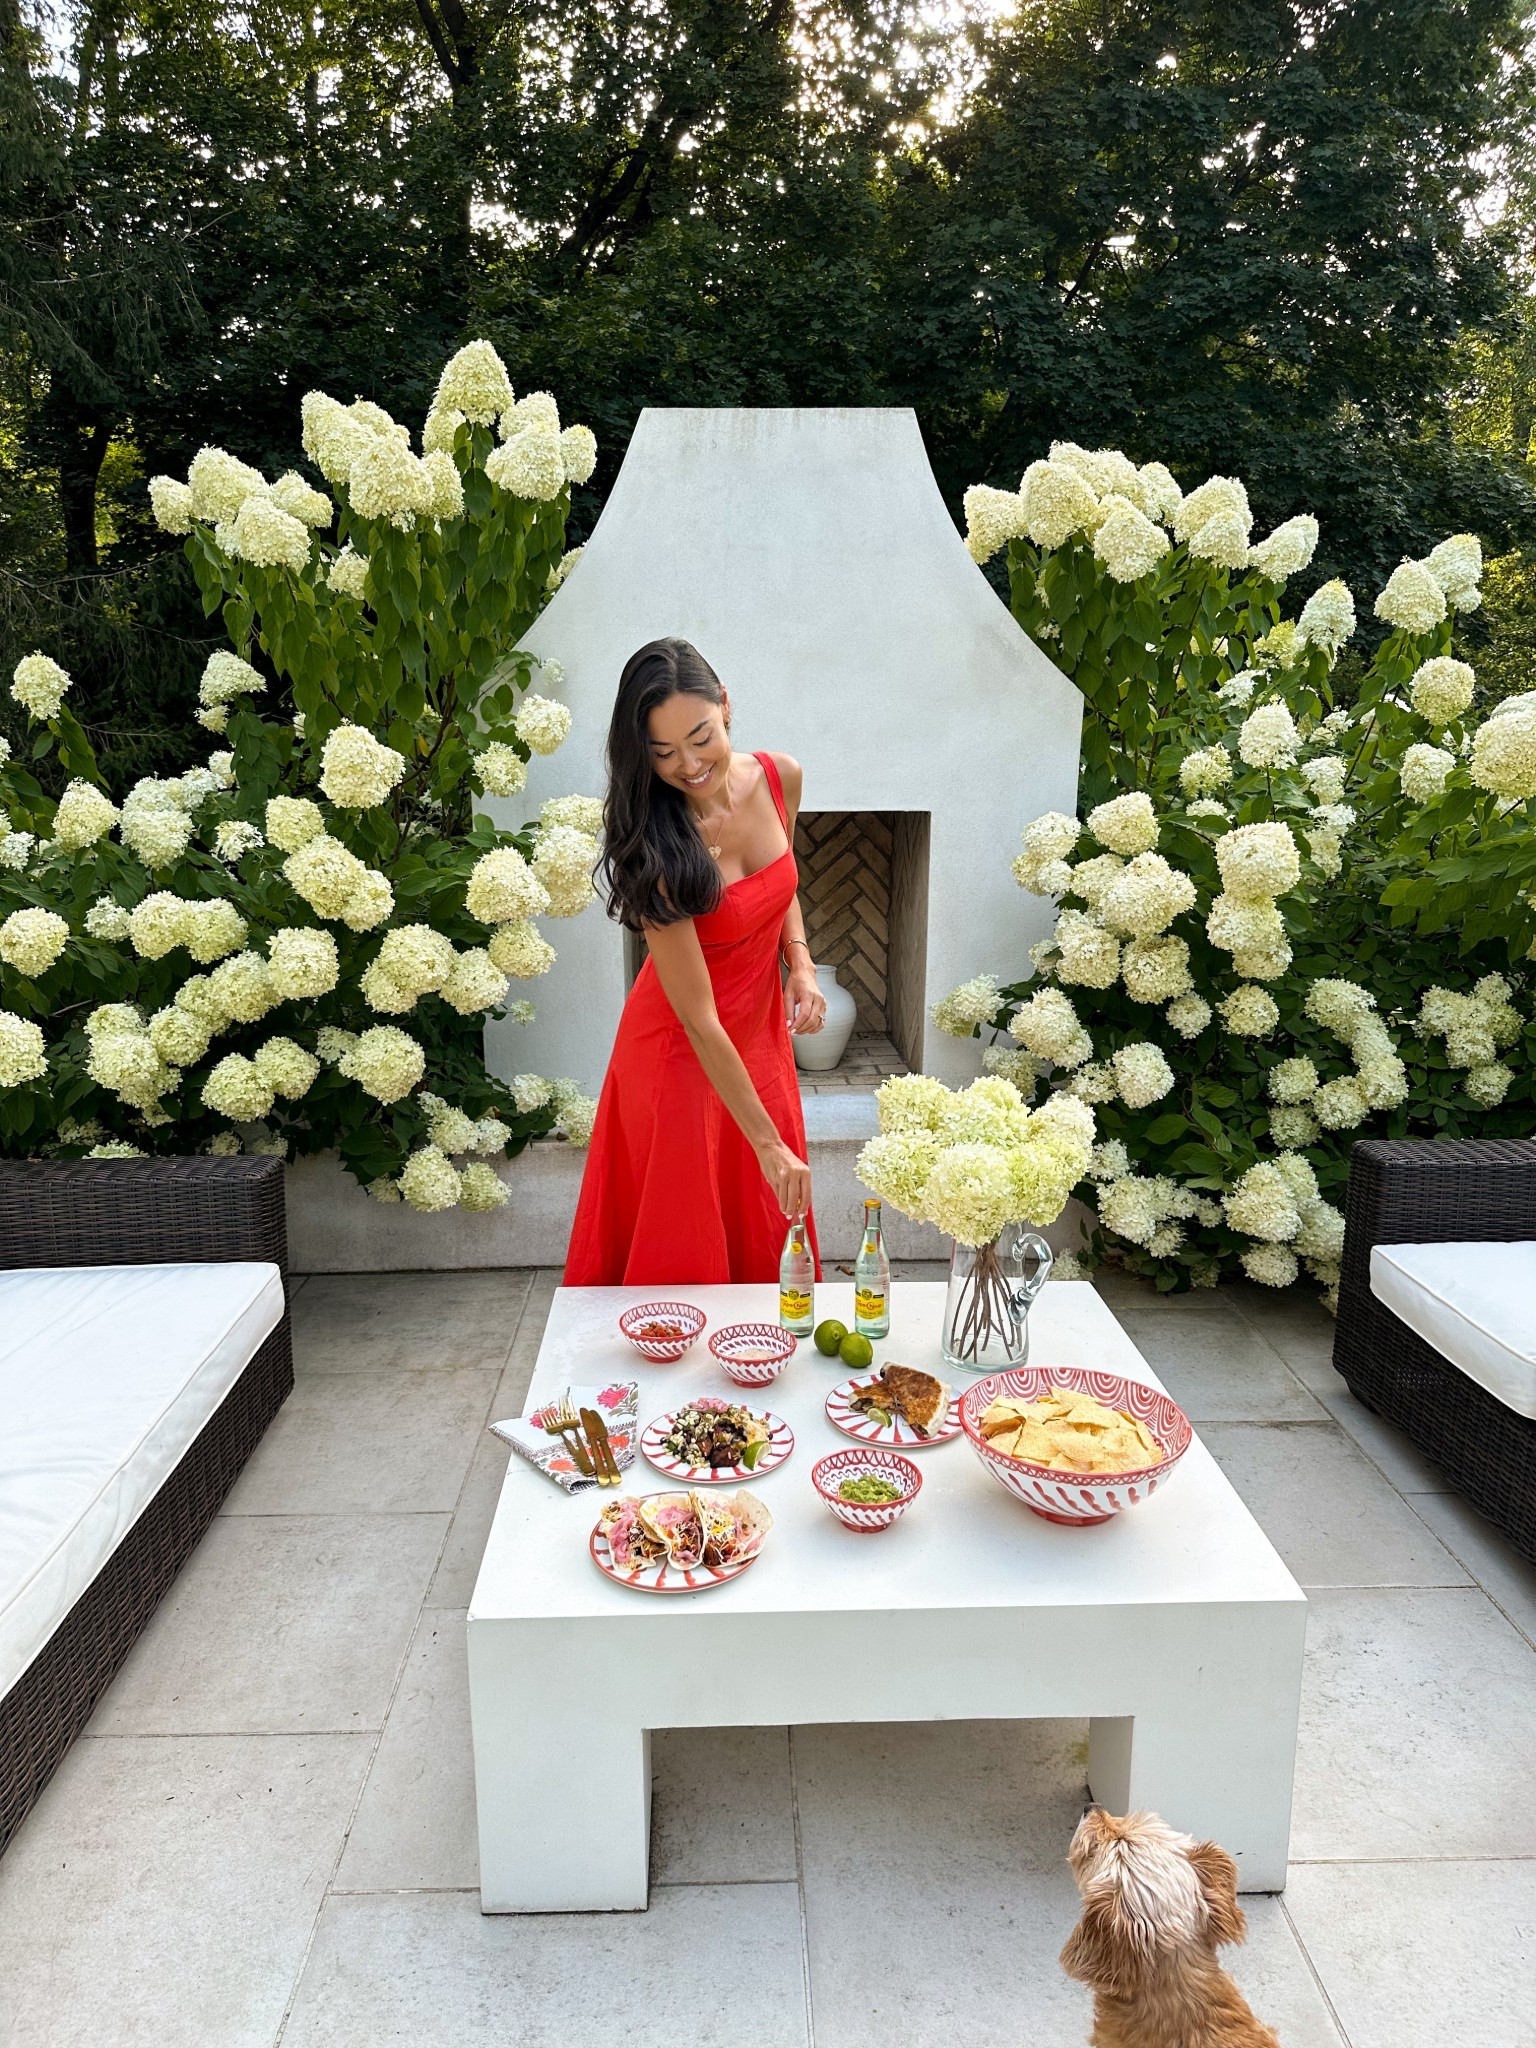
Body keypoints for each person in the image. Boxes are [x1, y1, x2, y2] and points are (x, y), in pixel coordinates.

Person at [563, 637, 825, 1285]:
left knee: (765, 1233)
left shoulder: (779, 776)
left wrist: (801, 964)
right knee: (684, 1255)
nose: (689, 764)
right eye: (664, 753)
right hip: (679, 1050)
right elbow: (699, 1020)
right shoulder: (654, 844)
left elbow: (780, 883)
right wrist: (767, 1144)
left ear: (726, 705)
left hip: (758, 1038)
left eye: (701, 737)